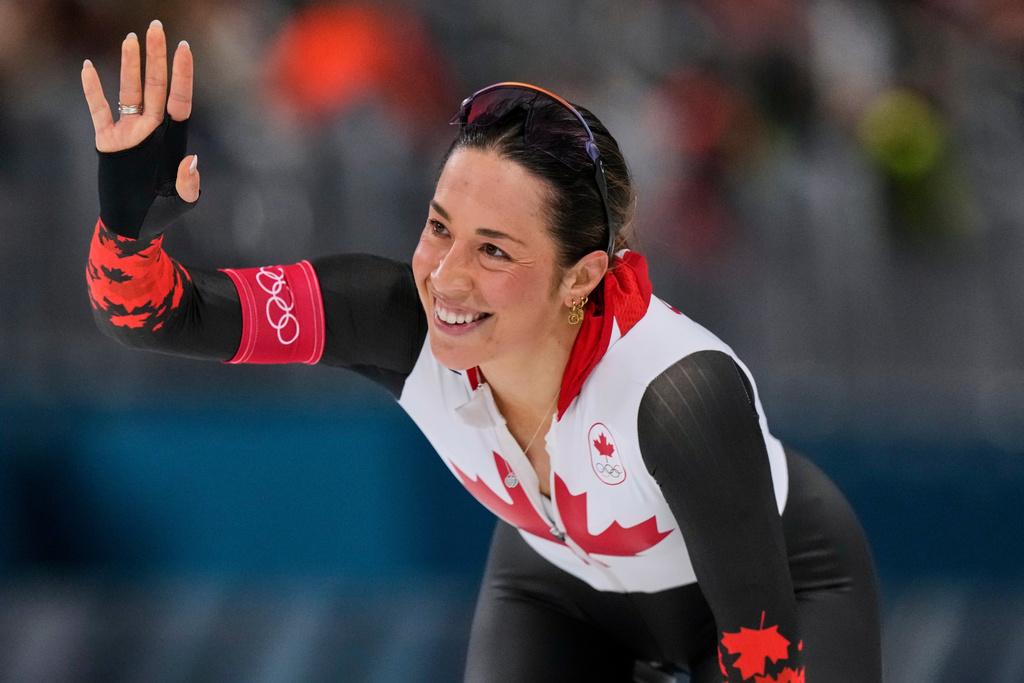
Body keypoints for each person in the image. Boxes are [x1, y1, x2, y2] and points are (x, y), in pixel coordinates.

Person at [81, 21, 882, 683]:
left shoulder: (677, 398)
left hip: (775, 594)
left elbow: (767, 665)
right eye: (439, 228)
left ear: (583, 276)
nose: (448, 279)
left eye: (495, 251)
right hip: (561, 588)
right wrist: (127, 230)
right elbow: (161, 316)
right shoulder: (396, 320)